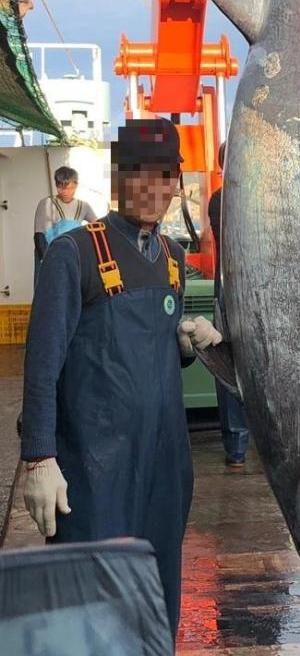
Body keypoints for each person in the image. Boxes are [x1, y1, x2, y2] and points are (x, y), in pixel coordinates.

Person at [20, 118, 222, 640]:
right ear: (118, 179)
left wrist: (183, 343)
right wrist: (40, 458)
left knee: (156, 603)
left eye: (164, 176)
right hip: (92, 470)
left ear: (176, 182)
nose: (152, 190)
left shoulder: (174, 260)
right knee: (90, 612)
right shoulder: (75, 254)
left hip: (163, 466)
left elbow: (153, 357)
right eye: (138, 175)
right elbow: (42, 364)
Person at [208, 142, 250, 468]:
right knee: (230, 366)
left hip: (259, 294)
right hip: (232, 292)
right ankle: (237, 445)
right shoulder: (221, 200)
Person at [33, 166, 99, 263]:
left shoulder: (83, 206)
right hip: (52, 254)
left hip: (75, 254)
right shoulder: (47, 203)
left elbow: (97, 226)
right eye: (61, 188)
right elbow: (39, 235)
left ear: (76, 186)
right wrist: (44, 260)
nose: (65, 192)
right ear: (56, 185)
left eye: (69, 188)